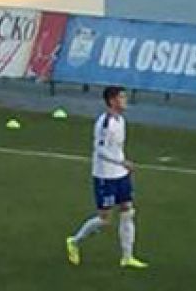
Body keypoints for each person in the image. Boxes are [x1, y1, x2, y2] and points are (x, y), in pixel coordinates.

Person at [65, 86, 148, 270]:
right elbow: (100, 150)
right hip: (105, 175)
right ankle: (75, 241)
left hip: (120, 175)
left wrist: (123, 167)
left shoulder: (121, 120)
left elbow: (116, 147)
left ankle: (127, 256)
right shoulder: (105, 123)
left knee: (128, 211)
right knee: (105, 219)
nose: (125, 100)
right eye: (122, 97)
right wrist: (122, 162)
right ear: (112, 101)